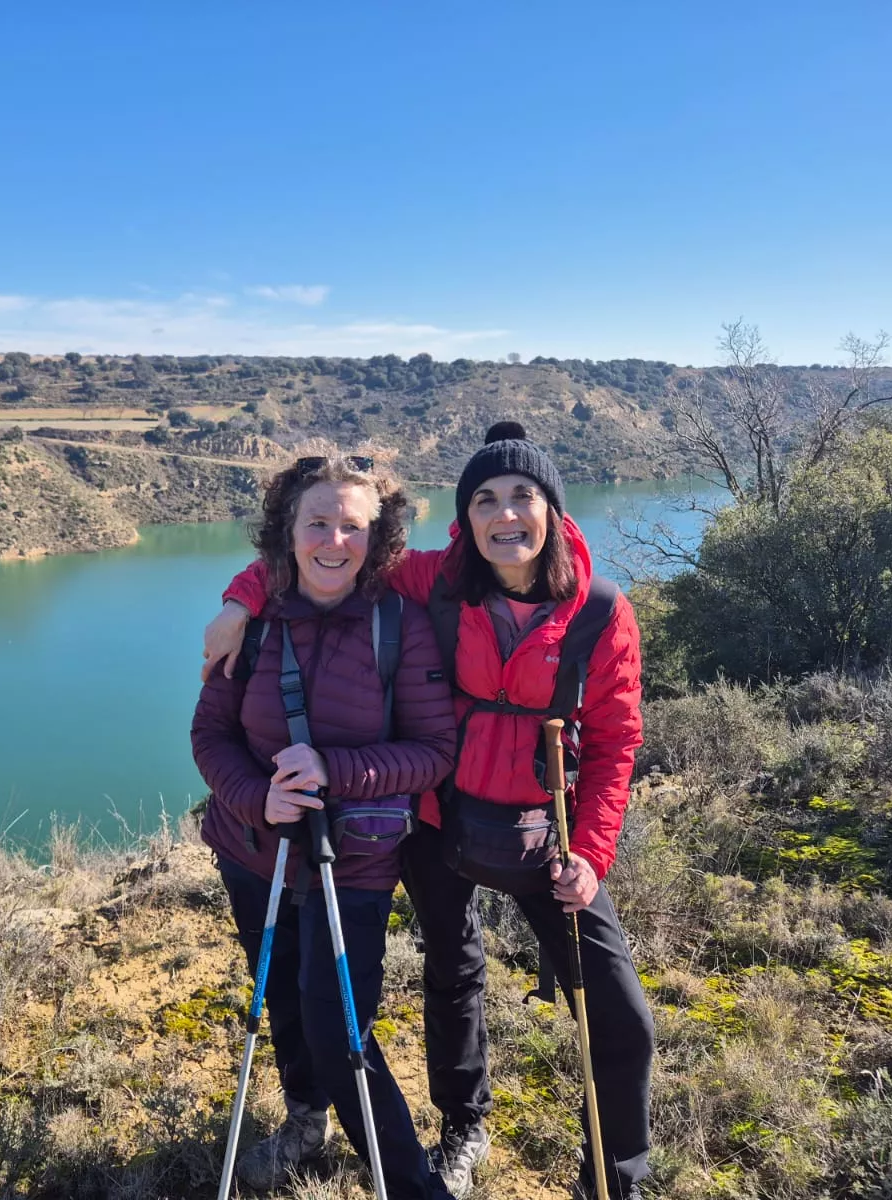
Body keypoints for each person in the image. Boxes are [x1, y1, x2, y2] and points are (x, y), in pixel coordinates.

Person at [203, 422, 654, 1200]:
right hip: (438, 825)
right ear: (465, 517)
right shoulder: (434, 581)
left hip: (545, 833)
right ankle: (462, 1126)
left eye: (522, 497)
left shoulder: (598, 612)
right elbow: (317, 554)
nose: (505, 515)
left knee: (620, 1015)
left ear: (552, 509)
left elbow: (615, 740)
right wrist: (237, 602)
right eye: (486, 499)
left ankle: (615, 1179)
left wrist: (593, 851)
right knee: (452, 970)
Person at [192, 447, 457, 1199]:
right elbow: (208, 735)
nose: (333, 541)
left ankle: (409, 1184)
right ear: (289, 529)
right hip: (253, 853)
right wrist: (257, 798)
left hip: (357, 866)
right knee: (278, 997)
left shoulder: (397, 627)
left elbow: (436, 752)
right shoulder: (250, 625)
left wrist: (334, 773)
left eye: (352, 526)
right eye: (318, 522)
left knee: (340, 1026)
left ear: (378, 538)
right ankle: (305, 1122)